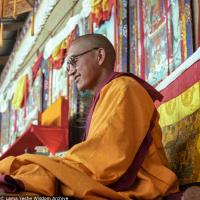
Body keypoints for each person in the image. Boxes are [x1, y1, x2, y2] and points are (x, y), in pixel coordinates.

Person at [0, 33, 198, 199]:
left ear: (100, 56)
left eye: (73, 62)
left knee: (34, 172)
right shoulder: (105, 96)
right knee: (31, 169)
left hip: (141, 187)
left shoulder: (124, 89)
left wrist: (55, 167)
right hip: (113, 178)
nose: (70, 72)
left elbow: (104, 161)